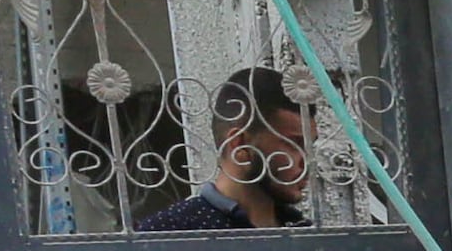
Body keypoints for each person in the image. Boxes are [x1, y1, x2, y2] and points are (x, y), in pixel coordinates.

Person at [138, 64, 322, 232]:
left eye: (310, 147)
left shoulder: (303, 232)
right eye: (294, 144)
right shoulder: (170, 234)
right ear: (239, 144)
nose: (307, 163)